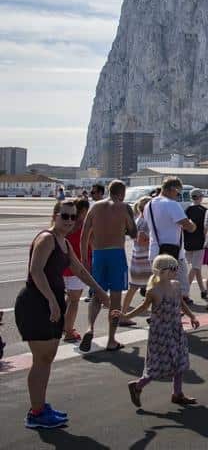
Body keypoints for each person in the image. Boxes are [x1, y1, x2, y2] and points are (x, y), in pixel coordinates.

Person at [15, 200, 109, 428]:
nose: (69, 221)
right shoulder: (47, 238)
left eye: (73, 217)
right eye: (64, 216)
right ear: (55, 216)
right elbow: (35, 271)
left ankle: (39, 406)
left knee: (46, 359)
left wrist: (99, 291)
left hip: (51, 302)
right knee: (41, 360)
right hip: (36, 304)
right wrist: (51, 301)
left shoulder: (64, 242)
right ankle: (36, 414)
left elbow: (79, 270)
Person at [115, 254, 200, 408]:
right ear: (162, 271)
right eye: (173, 268)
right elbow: (143, 307)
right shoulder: (153, 291)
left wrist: (192, 316)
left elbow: (181, 304)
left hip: (175, 329)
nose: (177, 270)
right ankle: (137, 386)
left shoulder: (176, 285)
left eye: (177, 267)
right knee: (158, 365)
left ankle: (177, 393)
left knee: (179, 361)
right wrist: (125, 315)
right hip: (160, 333)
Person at [79, 180, 136, 352]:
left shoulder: (95, 207)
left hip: (98, 254)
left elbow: (84, 235)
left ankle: (90, 327)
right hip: (116, 254)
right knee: (116, 299)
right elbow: (133, 232)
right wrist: (125, 227)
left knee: (97, 293)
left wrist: (84, 260)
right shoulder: (124, 207)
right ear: (122, 193)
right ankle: (111, 339)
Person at [143, 177, 197, 309]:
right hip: (173, 255)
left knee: (158, 288)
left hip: (155, 252)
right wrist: (193, 224)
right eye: (178, 193)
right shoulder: (171, 204)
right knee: (180, 289)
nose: (178, 197)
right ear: (173, 189)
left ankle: (158, 314)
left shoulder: (148, 205)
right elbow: (188, 226)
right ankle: (173, 317)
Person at [62, 197, 91, 342]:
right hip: (77, 267)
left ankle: (65, 326)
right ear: (84, 210)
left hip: (63, 266)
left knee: (69, 298)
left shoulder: (67, 224)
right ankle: (68, 331)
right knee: (74, 301)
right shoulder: (84, 225)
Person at [121, 196, 153, 322]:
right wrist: (155, 241)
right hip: (144, 260)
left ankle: (123, 314)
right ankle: (124, 316)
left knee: (134, 287)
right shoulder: (144, 222)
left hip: (137, 258)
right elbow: (141, 240)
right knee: (150, 287)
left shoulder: (137, 220)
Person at [184, 189, 208, 300]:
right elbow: (205, 228)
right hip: (199, 242)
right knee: (195, 267)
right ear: (201, 197)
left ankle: (203, 290)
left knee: (196, 267)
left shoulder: (187, 209)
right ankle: (185, 291)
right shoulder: (204, 210)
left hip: (188, 241)